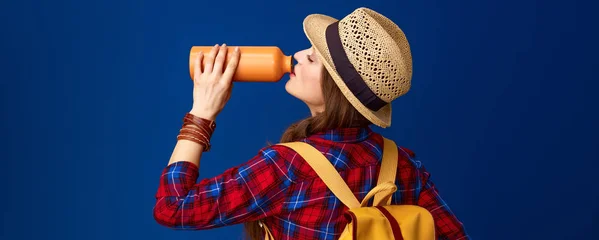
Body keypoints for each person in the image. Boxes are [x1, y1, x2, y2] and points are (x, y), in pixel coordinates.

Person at [153, 7, 469, 240]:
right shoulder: (404, 166)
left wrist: (202, 113)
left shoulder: (286, 167)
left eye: (315, 57)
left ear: (337, 89)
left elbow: (172, 206)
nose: (299, 54)